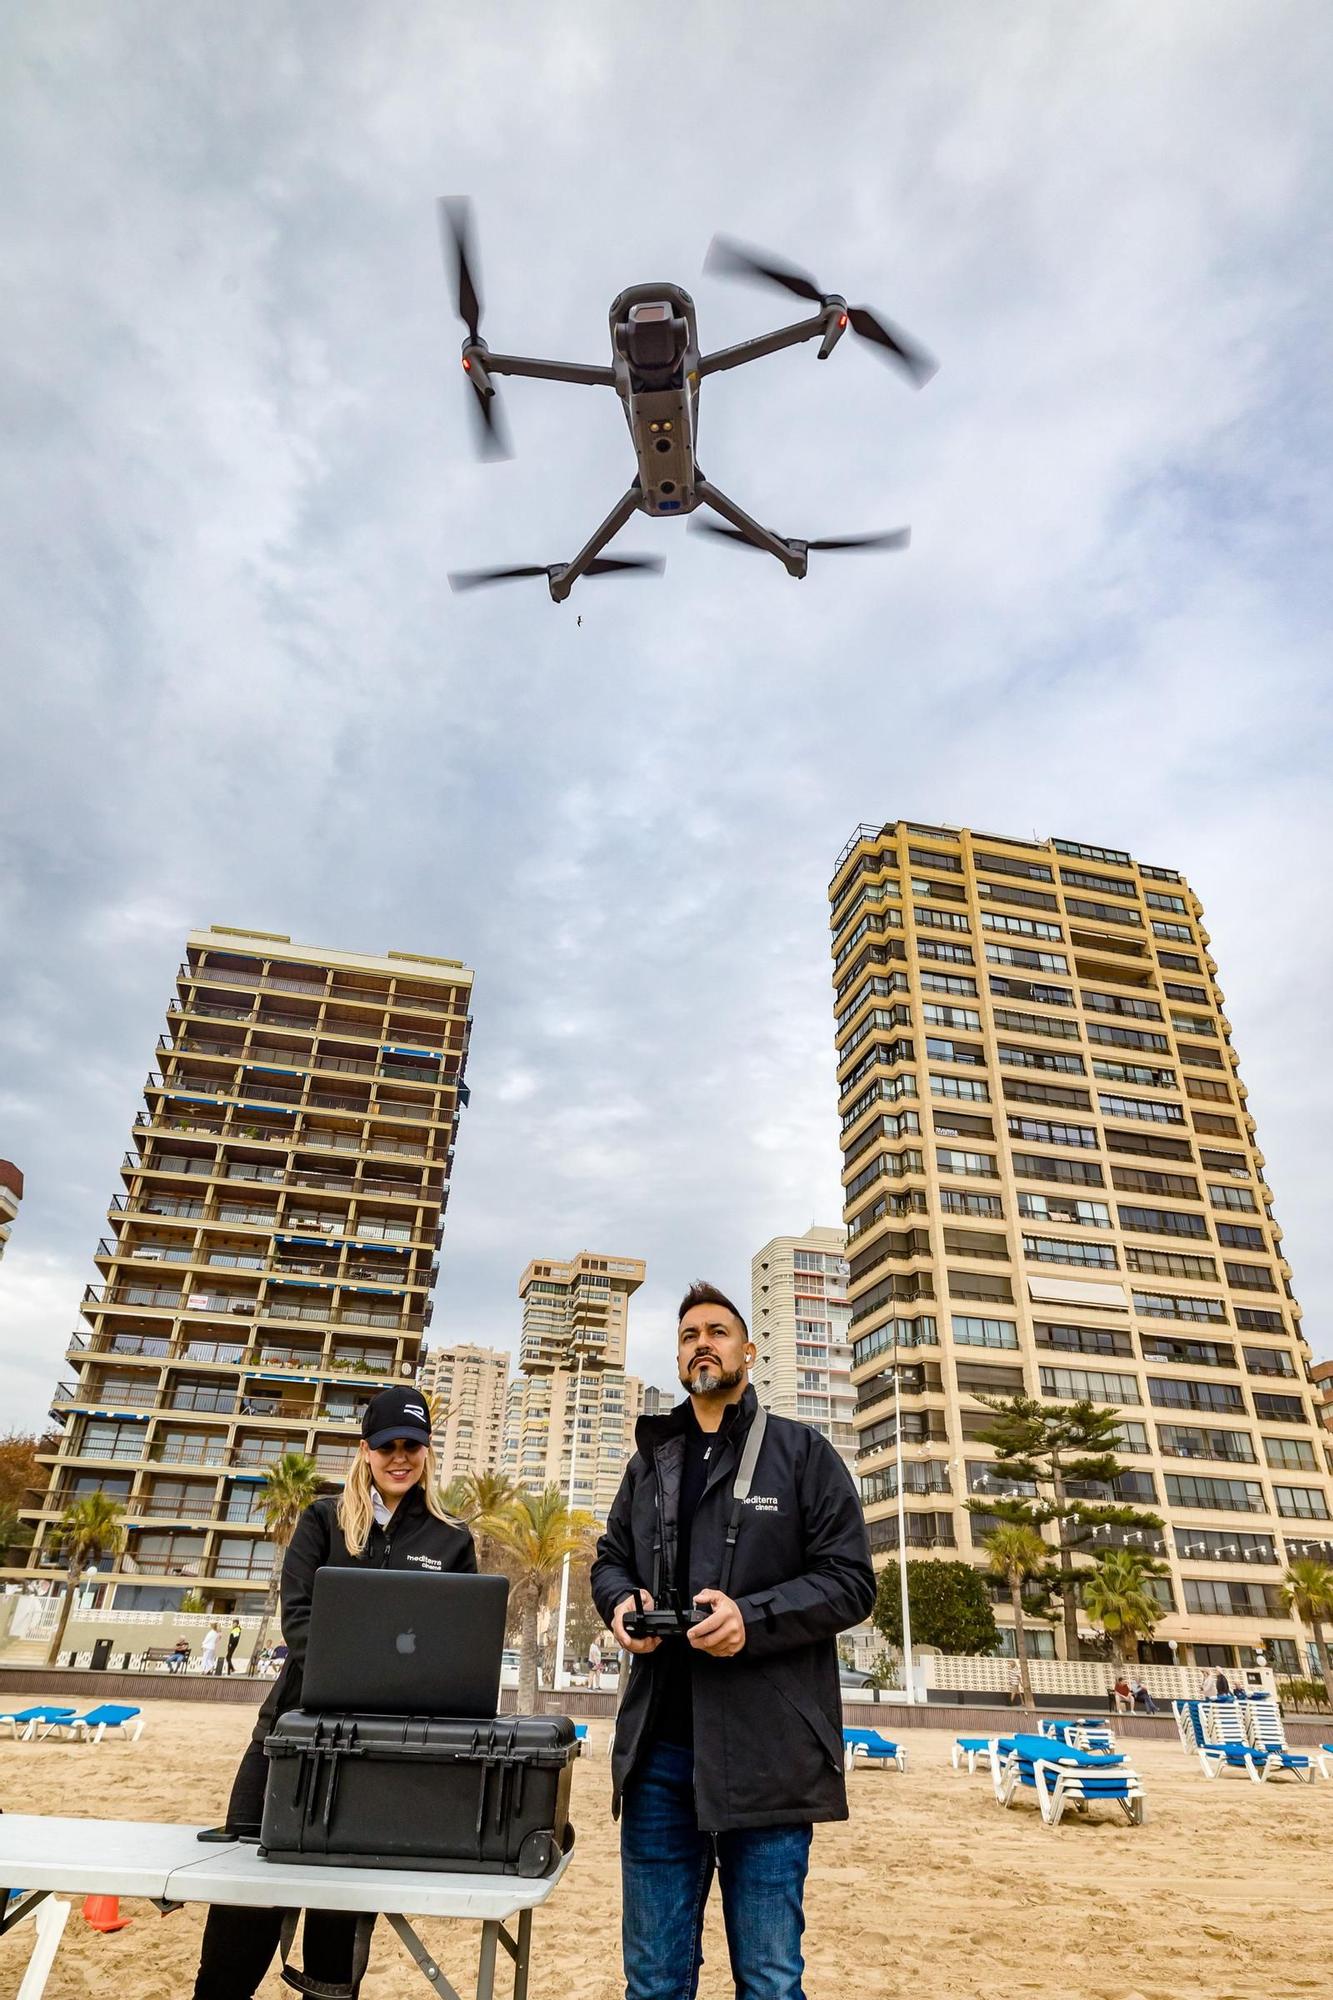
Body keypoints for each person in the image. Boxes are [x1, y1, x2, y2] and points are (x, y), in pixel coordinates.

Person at [591, 1280, 875, 2000]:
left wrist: (753, 1618)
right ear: (679, 1357)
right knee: (653, 1983)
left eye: (718, 1332)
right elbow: (609, 1558)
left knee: (771, 1983)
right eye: (689, 1335)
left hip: (769, 1757)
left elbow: (850, 1582)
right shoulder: (650, 1461)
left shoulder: (802, 1453)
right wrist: (622, 1603)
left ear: (748, 1350)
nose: (702, 1344)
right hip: (658, 1753)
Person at [192, 1387, 476, 2000]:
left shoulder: (453, 1539)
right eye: (386, 1447)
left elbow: (458, 1645)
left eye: (412, 1446)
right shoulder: (323, 1521)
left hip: (378, 1751)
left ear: (427, 1451)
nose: (399, 1457)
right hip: (286, 1736)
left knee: (340, 1921)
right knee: (246, 1899)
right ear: (365, 1451)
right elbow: (298, 1621)